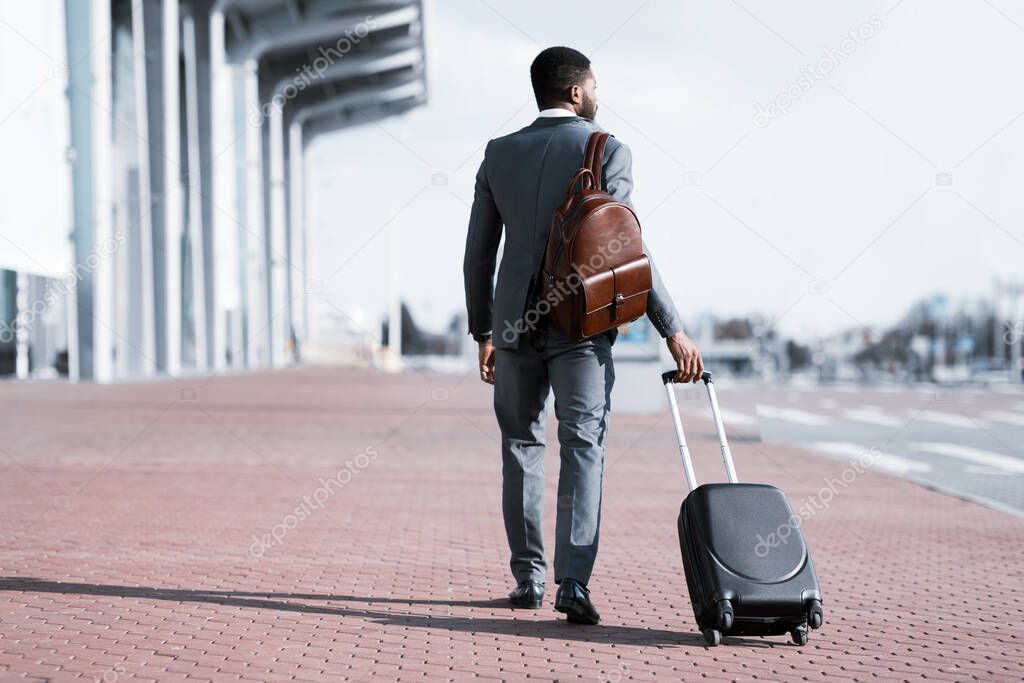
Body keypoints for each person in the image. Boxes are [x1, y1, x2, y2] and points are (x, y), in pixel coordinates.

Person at [462, 46, 703, 625]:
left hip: (516, 324)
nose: (598, 93)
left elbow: (477, 254)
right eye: (594, 84)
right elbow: (626, 250)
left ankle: (528, 579)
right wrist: (672, 329)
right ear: (575, 91)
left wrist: (484, 329)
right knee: (583, 446)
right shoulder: (605, 149)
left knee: (520, 445)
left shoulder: (499, 153)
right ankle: (573, 583)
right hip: (581, 325)